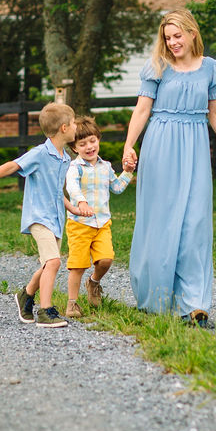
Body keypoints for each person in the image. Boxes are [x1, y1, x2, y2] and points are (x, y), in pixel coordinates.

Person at [123, 9, 216, 327]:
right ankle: (154, 300)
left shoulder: (211, 68)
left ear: (192, 33)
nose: (172, 43)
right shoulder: (157, 66)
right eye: (168, 38)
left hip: (195, 146)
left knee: (195, 223)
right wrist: (129, 145)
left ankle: (193, 305)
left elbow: (215, 112)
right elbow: (143, 110)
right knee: (160, 221)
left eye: (177, 36)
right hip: (161, 145)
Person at [0, 102, 77, 328]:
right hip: (39, 218)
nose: (77, 127)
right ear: (64, 128)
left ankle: (25, 296)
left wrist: (72, 208)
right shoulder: (39, 154)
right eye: (74, 123)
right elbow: (11, 166)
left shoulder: (65, 158)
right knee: (54, 262)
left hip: (55, 219)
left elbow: (56, 191)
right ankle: (45, 312)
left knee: (47, 265)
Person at [63, 116, 135, 318]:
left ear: (99, 140)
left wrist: (127, 173)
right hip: (79, 224)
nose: (89, 147)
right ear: (75, 148)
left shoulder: (106, 167)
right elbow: (72, 187)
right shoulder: (74, 168)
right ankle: (72, 304)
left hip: (102, 224)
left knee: (106, 260)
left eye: (92, 141)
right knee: (78, 265)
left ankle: (93, 282)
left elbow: (117, 188)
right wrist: (81, 202)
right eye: (82, 144)